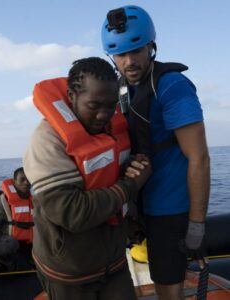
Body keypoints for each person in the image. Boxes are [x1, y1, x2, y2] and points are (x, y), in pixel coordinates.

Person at [101, 6, 210, 300]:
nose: (129, 60)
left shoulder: (172, 86)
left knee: (167, 287)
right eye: (120, 54)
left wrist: (197, 224)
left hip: (169, 207)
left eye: (136, 50)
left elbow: (199, 156)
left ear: (151, 46)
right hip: (138, 205)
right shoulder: (120, 90)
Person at [23, 57, 151, 300]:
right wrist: (131, 185)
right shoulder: (46, 141)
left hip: (114, 263)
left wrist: (137, 166)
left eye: (111, 105)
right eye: (94, 105)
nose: (103, 115)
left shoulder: (111, 129)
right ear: (71, 96)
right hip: (70, 274)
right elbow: (71, 212)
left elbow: (113, 175)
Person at [0, 167, 34, 273]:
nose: (26, 182)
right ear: (14, 182)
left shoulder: (34, 201)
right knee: (12, 243)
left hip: (27, 243)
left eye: (28, 179)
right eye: (22, 179)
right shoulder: (1, 203)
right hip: (6, 243)